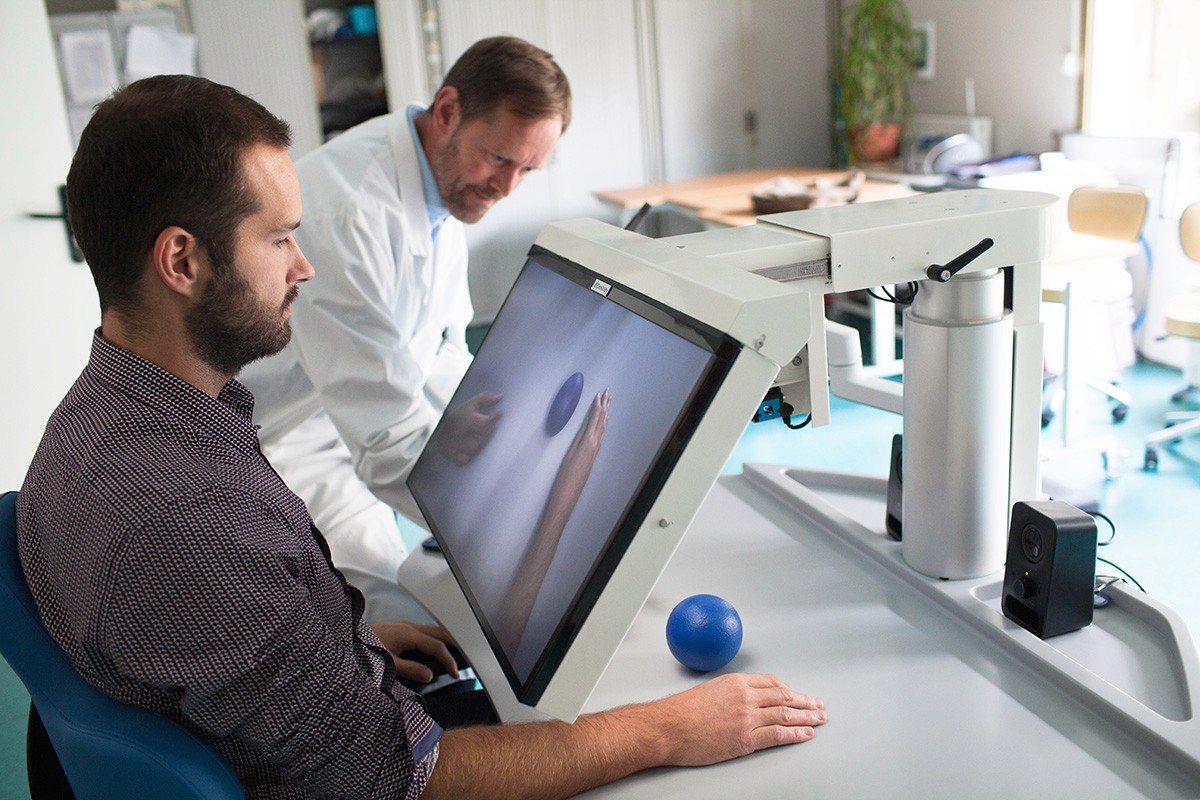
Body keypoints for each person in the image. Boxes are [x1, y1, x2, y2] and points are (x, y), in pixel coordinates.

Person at [17, 74, 823, 800]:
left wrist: (342, 649)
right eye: (279, 238)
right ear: (182, 261)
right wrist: (665, 732)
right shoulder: (194, 519)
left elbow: (212, 634)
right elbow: (405, 777)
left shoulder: (101, 419)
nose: (303, 267)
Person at [238, 35, 568, 622]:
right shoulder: (349, 214)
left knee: (444, 587)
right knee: (400, 616)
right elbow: (386, 441)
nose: (507, 188)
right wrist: (510, 515)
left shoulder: (445, 183)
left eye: (527, 169)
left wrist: (507, 438)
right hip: (289, 440)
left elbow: (441, 346)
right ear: (448, 112)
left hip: (360, 415)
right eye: (499, 158)